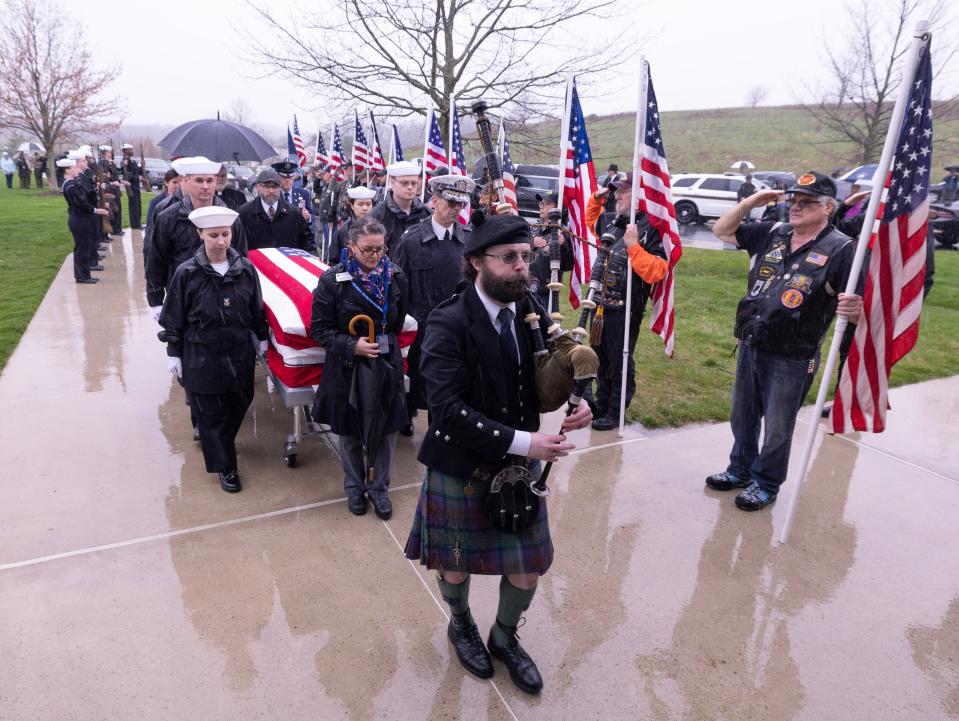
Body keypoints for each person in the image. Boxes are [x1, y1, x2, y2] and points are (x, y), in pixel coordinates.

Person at [403, 212, 592, 694]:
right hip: (462, 460)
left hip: (517, 462)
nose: (522, 267)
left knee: (527, 565)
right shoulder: (446, 322)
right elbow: (445, 409)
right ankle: (461, 623)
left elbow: (542, 373)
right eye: (509, 258)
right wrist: (528, 442)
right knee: (457, 559)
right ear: (476, 262)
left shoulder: (526, 306)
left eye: (526, 257)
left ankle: (505, 638)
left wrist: (578, 400)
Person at [708, 171, 863, 511]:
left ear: (828, 207)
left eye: (806, 203)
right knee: (742, 416)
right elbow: (722, 231)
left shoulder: (842, 249)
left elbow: (859, 310)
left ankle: (765, 483)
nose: (796, 207)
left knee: (778, 426)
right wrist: (750, 202)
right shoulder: (773, 233)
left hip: (793, 354)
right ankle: (740, 470)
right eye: (793, 201)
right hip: (752, 342)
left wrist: (855, 310)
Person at [158, 205, 269, 493]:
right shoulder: (187, 273)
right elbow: (175, 316)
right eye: (213, 235)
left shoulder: (245, 269)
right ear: (200, 235)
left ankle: (220, 442)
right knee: (210, 413)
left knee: (239, 401)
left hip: (237, 351)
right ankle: (226, 466)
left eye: (225, 234)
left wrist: (262, 337)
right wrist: (174, 352)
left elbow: (256, 307)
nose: (221, 242)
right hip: (201, 354)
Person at [309, 216, 409, 518]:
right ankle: (354, 487)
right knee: (350, 431)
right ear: (351, 247)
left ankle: (380, 489)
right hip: (347, 367)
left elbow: (399, 321)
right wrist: (353, 346)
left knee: (387, 430)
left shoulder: (396, 276)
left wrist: (381, 343)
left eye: (381, 249)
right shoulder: (332, 280)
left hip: (384, 363)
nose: (376, 256)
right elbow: (319, 328)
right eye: (368, 250)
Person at [583, 172, 669, 431]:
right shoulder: (614, 220)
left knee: (619, 360)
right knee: (599, 357)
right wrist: (595, 200)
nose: (617, 195)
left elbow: (657, 270)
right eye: (615, 191)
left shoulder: (651, 227)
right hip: (600, 305)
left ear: (640, 194)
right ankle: (601, 402)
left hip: (626, 308)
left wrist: (634, 246)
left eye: (623, 191)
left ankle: (615, 411)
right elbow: (592, 223)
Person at [391, 174, 474, 434]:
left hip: (458, 328)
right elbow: (397, 287)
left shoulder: (469, 240)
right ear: (434, 201)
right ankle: (404, 414)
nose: (455, 210)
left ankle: (441, 430)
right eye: (450, 203)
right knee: (415, 382)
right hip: (421, 329)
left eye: (460, 205)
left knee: (450, 386)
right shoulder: (411, 240)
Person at [147, 156, 249, 319]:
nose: (205, 186)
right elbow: (156, 260)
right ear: (186, 181)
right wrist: (155, 300)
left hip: (222, 295)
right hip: (182, 295)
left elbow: (241, 258)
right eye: (199, 180)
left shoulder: (230, 218)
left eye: (210, 180)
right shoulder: (168, 217)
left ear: (216, 181)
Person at [237, 169, 315, 252]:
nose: (271, 191)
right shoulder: (244, 213)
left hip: (285, 263)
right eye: (267, 186)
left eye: (275, 186)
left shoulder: (294, 213)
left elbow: (307, 242)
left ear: (280, 187)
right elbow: (236, 245)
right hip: (255, 264)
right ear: (258, 187)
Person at [59, 157, 110, 284]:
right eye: (74, 167)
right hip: (78, 218)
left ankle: (83, 274)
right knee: (82, 247)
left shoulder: (73, 183)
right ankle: (82, 276)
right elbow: (82, 203)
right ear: (67, 170)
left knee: (84, 246)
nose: (77, 169)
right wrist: (96, 210)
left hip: (80, 217)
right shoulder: (70, 186)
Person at [528, 190, 573, 313]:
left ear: (557, 207)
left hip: (547, 292)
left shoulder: (562, 232)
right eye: (541, 203)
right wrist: (531, 242)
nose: (541, 207)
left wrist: (563, 245)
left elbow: (568, 265)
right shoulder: (534, 228)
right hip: (526, 288)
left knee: (546, 328)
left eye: (546, 203)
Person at [369, 160, 430, 249]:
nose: (410, 187)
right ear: (392, 182)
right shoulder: (376, 217)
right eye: (404, 183)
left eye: (413, 183)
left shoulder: (427, 214)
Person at [329, 185, 377, 263]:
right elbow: (334, 257)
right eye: (360, 204)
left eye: (368, 204)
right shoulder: (343, 230)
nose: (365, 208)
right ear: (352, 205)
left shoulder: (380, 226)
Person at [272, 160, 316, 235]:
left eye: (290, 177)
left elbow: (311, 216)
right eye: (284, 177)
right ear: (278, 177)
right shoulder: (273, 195)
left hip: (297, 237)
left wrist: (308, 217)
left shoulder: (303, 194)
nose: (288, 180)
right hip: (278, 236)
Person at [97, 146, 125, 235]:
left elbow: (114, 176)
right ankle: (114, 229)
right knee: (113, 211)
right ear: (105, 152)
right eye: (109, 152)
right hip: (110, 190)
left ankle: (116, 229)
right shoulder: (103, 163)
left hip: (114, 189)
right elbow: (104, 178)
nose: (111, 153)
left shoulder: (110, 162)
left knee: (117, 210)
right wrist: (113, 183)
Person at [119, 144, 144, 229]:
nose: (133, 151)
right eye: (131, 150)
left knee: (138, 204)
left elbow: (137, 171)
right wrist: (136, 177)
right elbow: (127, 174)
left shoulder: (132, 161)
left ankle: (138, 223)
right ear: (126, 151)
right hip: (131, 186)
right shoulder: (124, 161)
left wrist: (142, 165)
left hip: (136, 186)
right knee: (134, 206)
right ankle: (135, 224)